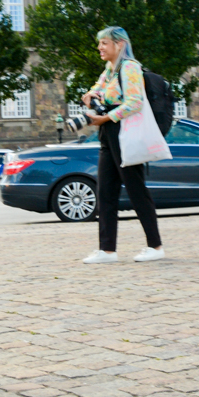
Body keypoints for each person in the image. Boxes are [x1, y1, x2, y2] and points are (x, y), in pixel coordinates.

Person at [79, 26, 164, 264]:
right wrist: (89, 95)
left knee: (136, 189)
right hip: (108, 133)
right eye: (100, 43)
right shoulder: (110, 69)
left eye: (104, 43)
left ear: (120, 45)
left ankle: (155, 246)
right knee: (105, 191)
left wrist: (106, 117)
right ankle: (107, 250)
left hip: (125, 131)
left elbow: (135, 103)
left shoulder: (130, 67)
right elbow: (98, 89)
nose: (99, 47)